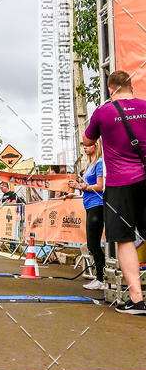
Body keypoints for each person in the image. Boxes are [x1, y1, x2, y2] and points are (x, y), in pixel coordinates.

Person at [84, 69, 146, 314]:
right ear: (131, 87)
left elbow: (88, 141)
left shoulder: (103, 112)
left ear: (111, 90)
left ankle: (137, 300)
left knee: (125, 239)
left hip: (120, 184)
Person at [70, 143, 105, 290]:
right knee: (92, 244)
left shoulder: (99, 162)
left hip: (97, 205)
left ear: (96, 146)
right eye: (83, 145)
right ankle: (100, 277)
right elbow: (86, 186)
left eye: (88, 145)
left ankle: (101, 279)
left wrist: (83, 187)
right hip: (89, 205)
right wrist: (76, 189)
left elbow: (100, 186)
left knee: (93, 243)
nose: (84, 148)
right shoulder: (89, 164)